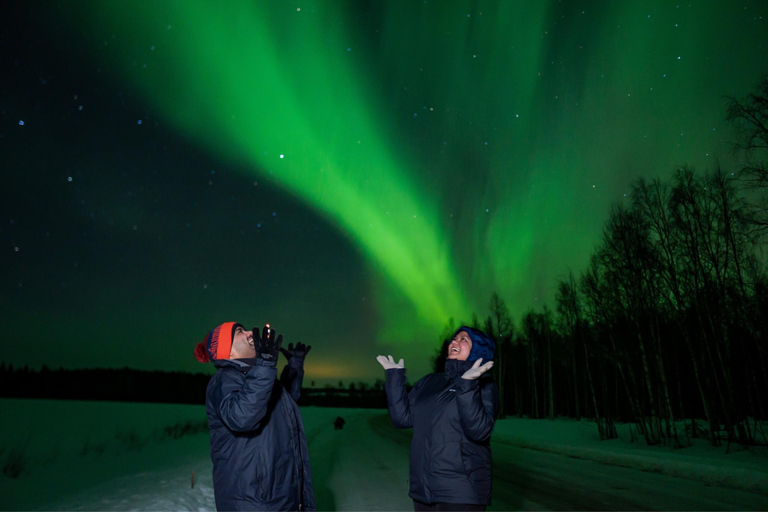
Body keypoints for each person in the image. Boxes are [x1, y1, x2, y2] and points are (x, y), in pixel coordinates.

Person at [194, 322, 315, 511]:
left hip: (279, 494)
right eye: (240, 332)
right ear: (228, 351)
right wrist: (265, 366)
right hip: (252, 500)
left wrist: (295, 365)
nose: (251, 332)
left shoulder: (255, 375)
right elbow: (242, 417)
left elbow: (284, 404)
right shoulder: (224, 380)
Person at [376, 326, 498, 512]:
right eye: (454, 338)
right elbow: (402, 419)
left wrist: (467, 385)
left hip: (460, 490)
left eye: (464, 339)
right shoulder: (430, 381)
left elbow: (479, 431)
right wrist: (395, 379)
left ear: (479, 349)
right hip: (424, 488)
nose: (455, 341)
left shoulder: (484, 384)